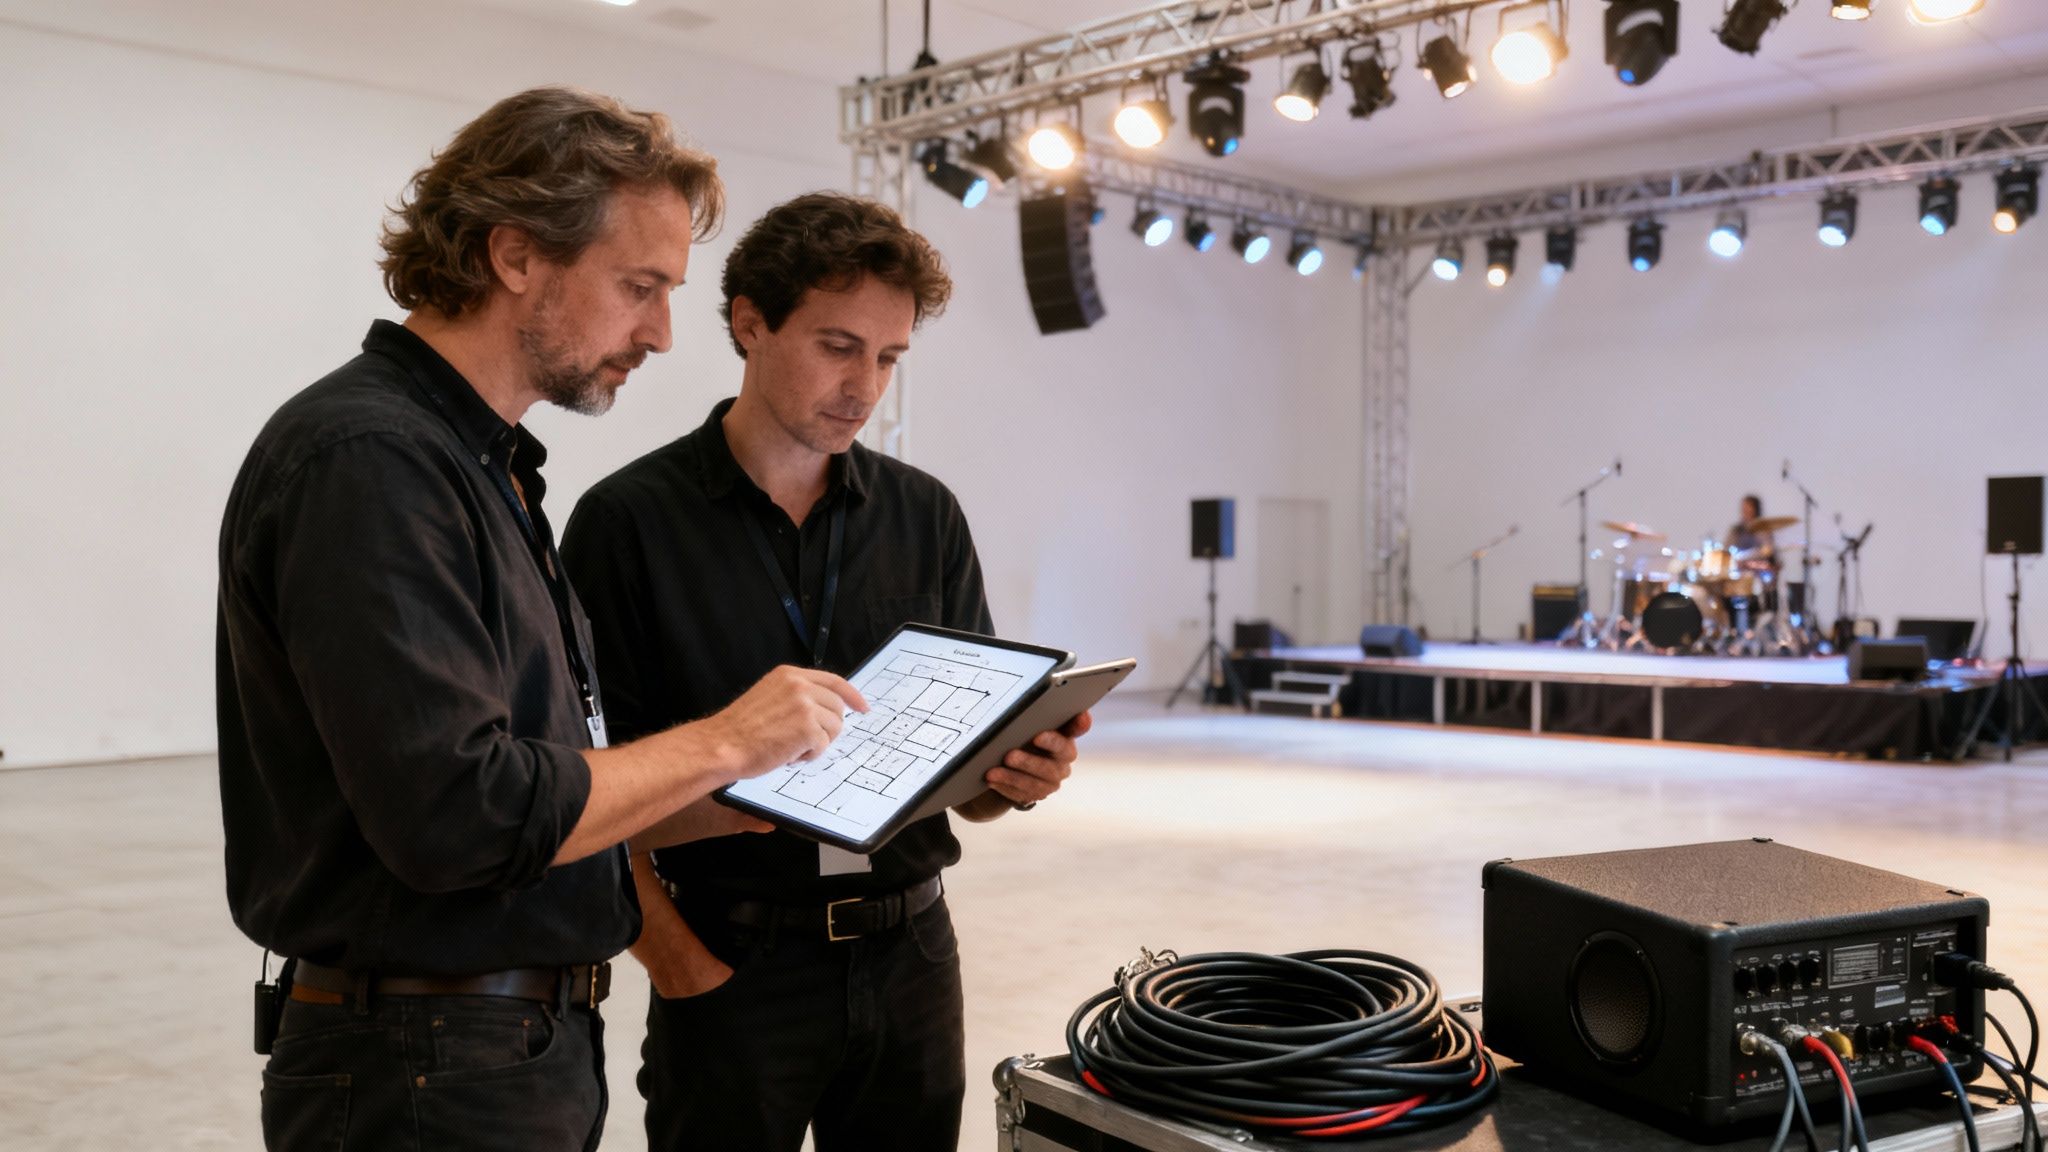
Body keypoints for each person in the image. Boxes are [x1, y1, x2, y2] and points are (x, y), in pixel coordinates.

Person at [216, 88, 864, 1152]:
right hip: (425, 1066)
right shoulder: (373, 461)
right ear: (515, 254)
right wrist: (723, 741)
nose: (660, 333)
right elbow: (460, 815)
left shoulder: (481, 466)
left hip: (492, 1053)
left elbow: (540, 776)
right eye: (639, 287)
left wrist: (715, 795)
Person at [560, 191, 1089, 1152]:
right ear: (750, 324)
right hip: (731, 955)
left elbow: (967, 789)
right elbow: (584, 793)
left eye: (888, 358)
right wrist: (681, 967)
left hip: (912, 951)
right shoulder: (627, 523)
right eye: (838, 347)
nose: (865, 386)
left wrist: (1013, 777)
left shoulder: (925, 514)